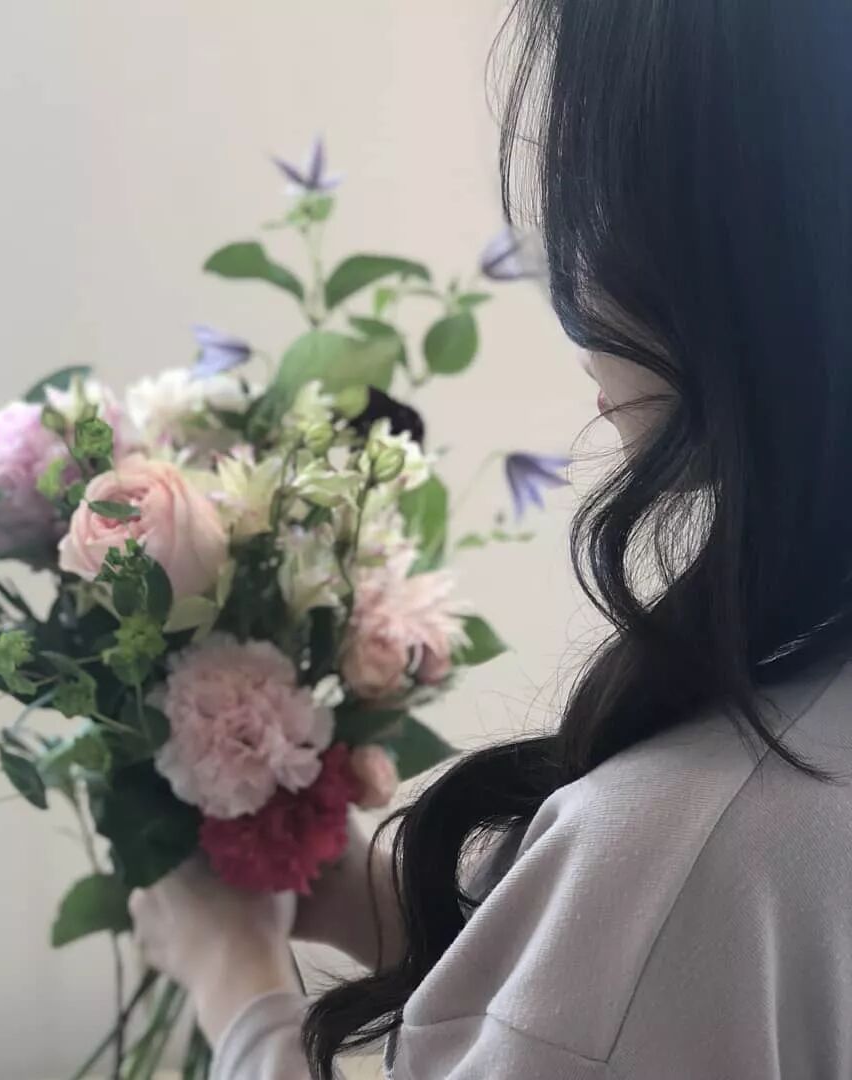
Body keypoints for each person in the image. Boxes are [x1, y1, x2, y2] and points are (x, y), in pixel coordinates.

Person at [130, 0, 852, 1076]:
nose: (573, 279)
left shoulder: (693, 848)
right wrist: (398, 905)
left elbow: (652, 967)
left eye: (599, 198)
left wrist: (235, 982)